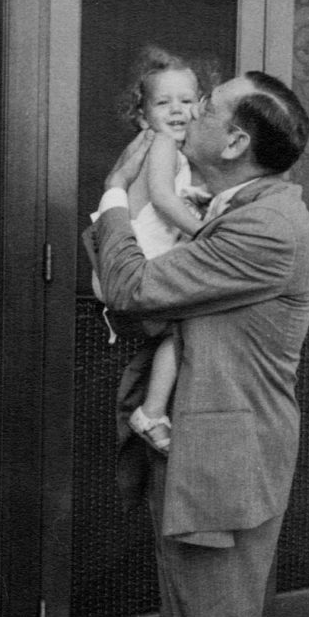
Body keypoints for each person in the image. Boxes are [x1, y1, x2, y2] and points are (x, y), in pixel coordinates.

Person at [86, 71, 309, 617]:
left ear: (237, 141)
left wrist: (112, 201)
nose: (194, 112)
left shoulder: (267, 225)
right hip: (190, 461)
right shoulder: (233, 210)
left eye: (212, 105)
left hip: (227, 471)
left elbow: (134, 289)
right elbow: (163, 309)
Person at [91, 46, 211, 455]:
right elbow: (162, 199)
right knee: (189, 322)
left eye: (187, 100)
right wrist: (207, 232)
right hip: (131, 266)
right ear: (143, 116)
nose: (177, 110)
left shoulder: (177, 153)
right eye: (163, 103)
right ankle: (152, 411)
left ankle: (152, 410)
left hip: (135, 266)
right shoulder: (161, 144)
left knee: (181, 328)